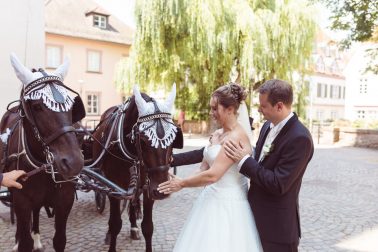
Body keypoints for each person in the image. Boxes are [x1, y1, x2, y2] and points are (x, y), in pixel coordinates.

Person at [158, 83, 263, 252]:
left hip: (229, 205)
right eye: (211, 108)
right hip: (210, 200)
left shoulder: (236, 137)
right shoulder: (217, 135)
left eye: (215, 109)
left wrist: (182, 184)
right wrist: (176, 180)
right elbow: (203, 169)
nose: (211, 113)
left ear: (230, 109)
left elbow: (213, 175)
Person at [224, 79, 314, 252]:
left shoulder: (300, 138)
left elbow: (278, 184)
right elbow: (261, 161)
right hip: (254, 219)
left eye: (263, 106)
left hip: (277, 229)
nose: (259, 109)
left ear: (279, 106)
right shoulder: (267, 126)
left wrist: (244, 161)